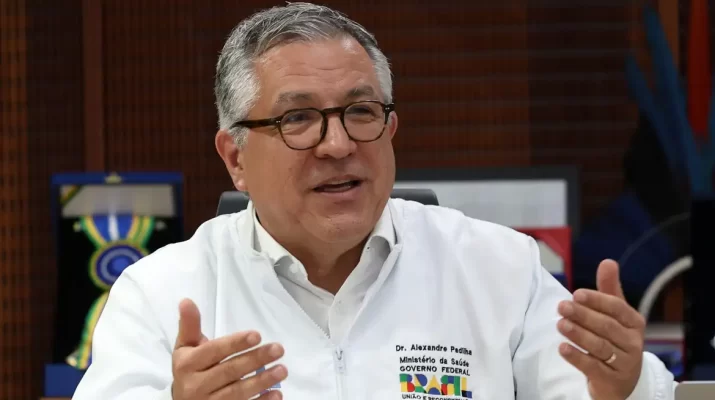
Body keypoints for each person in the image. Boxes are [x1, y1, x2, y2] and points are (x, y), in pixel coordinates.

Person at [72, 3, 677, 399]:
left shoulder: (498, 268)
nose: (338, 145)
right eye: (297, 118)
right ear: (235, 158)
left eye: (360, 112)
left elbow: (595, 387)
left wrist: (623, 384)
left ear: (390, 131)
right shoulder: (160, 294)